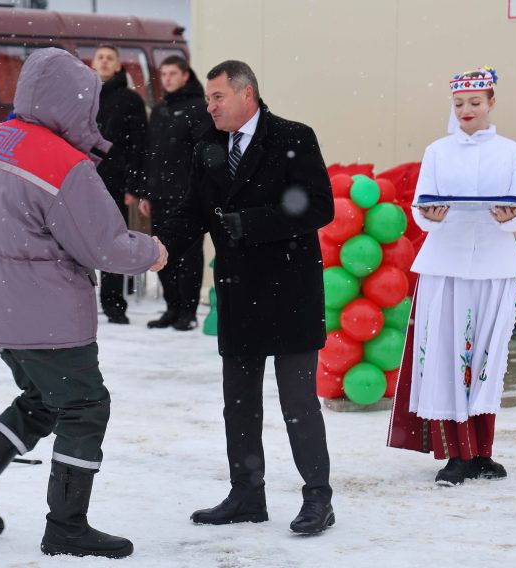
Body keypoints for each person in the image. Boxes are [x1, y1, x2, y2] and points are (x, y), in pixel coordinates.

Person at [0, 48, 167, 559]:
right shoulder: (65, 164)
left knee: (41, 401)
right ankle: (66, 525)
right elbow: (103, 245)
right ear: (76, 103)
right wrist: (151, 251)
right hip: (49, 318)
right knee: (85, 408)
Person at [155, 60, 336, 534]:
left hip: (291, 289)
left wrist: (252, 224)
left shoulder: (293, 136)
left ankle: (318, 497)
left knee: (298, 401)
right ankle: (247, 494)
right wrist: (160, 248)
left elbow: (318, 206)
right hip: (238, 292)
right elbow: (192, 212)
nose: (209, 106)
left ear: (246, 94)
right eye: (208, 98)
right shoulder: (209, 146)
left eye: (217, 97)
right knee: (239, 401)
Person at [388, 66, 516, 486]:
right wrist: (430, 215)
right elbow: (421, 205)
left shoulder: (511, 152)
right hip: (445, 265)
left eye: (474, 102)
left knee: (486, 360)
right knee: (446, 358)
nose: (466, 110)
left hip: (495, 265)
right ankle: (455, 453)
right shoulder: (438, 150)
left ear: (490, 103)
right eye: (458, 104)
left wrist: (511, 216)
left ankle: (482, 451)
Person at [140, 55, 209, 331]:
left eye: (172, 73)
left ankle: (188, 311)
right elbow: (151, 153)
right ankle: (172, 306)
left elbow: (203, 153)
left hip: (187, 194)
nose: (167, 78)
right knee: (161, 250)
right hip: (159, 194)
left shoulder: (198, 108)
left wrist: (200, 191)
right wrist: (146, 191)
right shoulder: (159, 110)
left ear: (185, 76)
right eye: (164, 74)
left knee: (189, 254)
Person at [90, 44, 148, 324]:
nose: (103, 62)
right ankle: (75, 300)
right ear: (92, 63)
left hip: (114, 181)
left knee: (113, 242)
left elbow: (139, 146)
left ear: (117, 66)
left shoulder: (130, 100)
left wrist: (133, 185)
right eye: (99, 57)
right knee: (74, 240)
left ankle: (114, 303)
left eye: (109, 58)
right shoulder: (81, 95)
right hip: (80, 179)